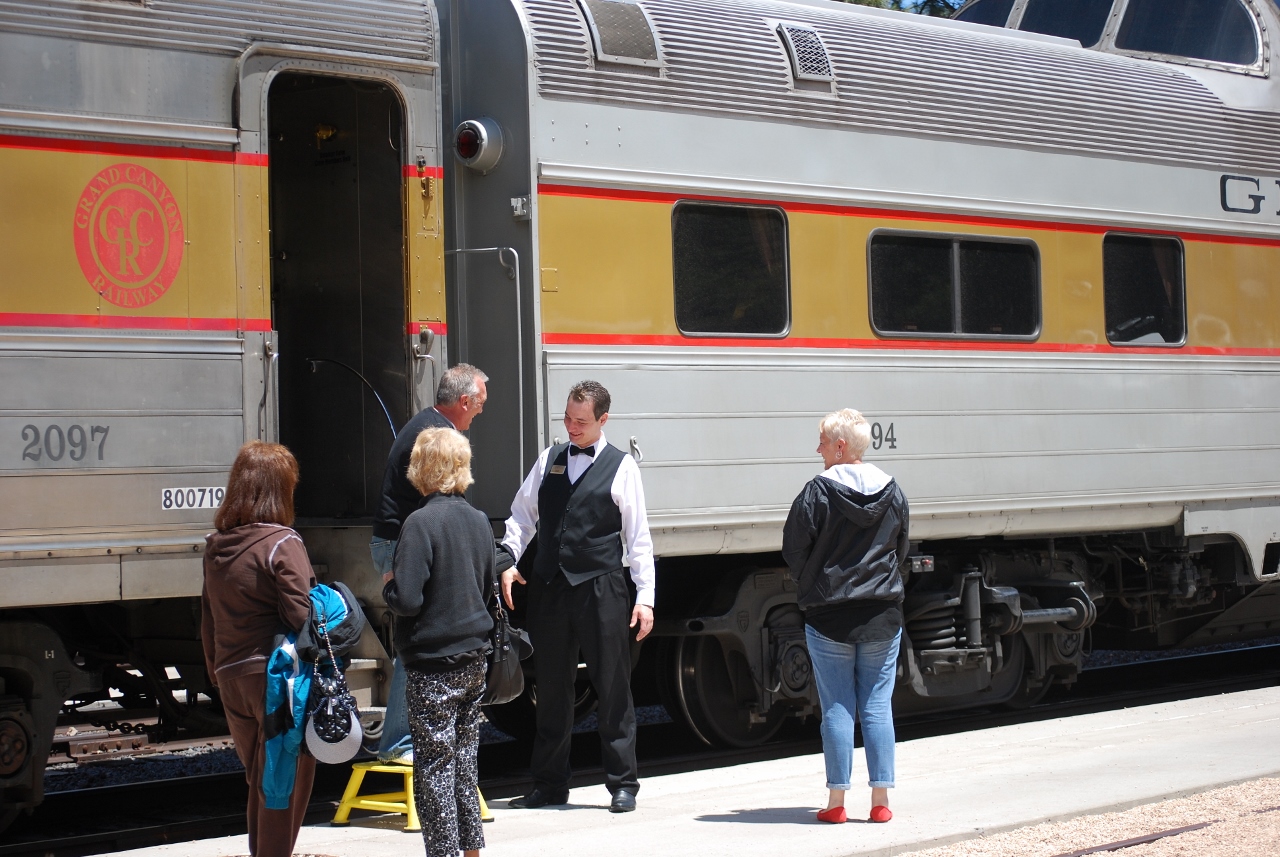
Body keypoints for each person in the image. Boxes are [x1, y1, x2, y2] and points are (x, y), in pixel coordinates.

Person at [500, 380, 655, 813]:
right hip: (549, 589)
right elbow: (521, 517)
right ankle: (549, 784)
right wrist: (508, 560)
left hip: (602, 589)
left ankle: (623, 783)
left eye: (581, 422)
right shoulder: (549, 458)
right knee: (550, 690)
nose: (571, 427)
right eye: (567, 418)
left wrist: (646, 598)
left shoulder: (623, 467)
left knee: (612, 686)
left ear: (603, 420)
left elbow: (638, 539)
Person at [781, 409, 909, 825]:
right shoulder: (892, 491)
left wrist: (813, 582)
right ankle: (881, 800)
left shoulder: (816, 492)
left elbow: (793, 549)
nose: (816, 448)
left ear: (840, 447)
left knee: (837, 707)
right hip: (881, 615)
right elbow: (901, 546)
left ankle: (836, 802)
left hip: (828, 616)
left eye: (821, 441)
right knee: (877, 706)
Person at [383, 427, 496, 857]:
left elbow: (408, 600)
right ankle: (471, 853)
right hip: (474, 658)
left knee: (432, 770)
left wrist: (388, 587)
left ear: (421, 469)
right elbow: (484, 586)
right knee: (465, 767)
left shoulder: (419, 523)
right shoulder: (478, 520)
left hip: (433, 664)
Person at [201, 441, 316, 857]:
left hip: (231, 676)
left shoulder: (218, 546)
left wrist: (217, 670)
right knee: (286, 778)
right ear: (279, 491)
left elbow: (208, 617)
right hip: (274, 678)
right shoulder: (282, 543)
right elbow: (302, 614)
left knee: (260, 777)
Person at [372, 363, 488, 763]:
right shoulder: (435, 434)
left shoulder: (430, 424)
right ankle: (400, 745)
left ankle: (407, 739)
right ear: (464, 400)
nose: (480, 412)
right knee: (417, 637)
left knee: (420, 636)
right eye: (479, 404)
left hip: (405, 539)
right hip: (402, 542)